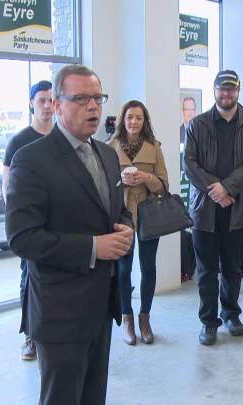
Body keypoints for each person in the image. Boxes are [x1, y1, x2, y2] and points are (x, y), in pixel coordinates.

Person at [5, 65, 134, 405]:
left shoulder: (107, 154)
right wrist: (93, 247)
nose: (93, 107)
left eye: (97, 98)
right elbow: (22, 238)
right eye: (81, 99)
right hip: (60, 312)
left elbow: (117, 210)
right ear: (57, 105)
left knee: (93, 397)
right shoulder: (31, 160)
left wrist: (126, 228)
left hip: (101, 305)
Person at [183, 70, 243, 346]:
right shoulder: (197, 125)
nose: (226, 93)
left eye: (231, 89)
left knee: (232, 267)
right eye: (222, 88)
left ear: (238, 91)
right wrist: (216, 190)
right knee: (206, 270)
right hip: (204, 209)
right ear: (214, 90)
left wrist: (227, 188)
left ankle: (231, 314)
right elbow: (190, 164)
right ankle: (208, 321)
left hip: (237, 208)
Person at [107, 100, 169, 345]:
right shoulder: (109, 147)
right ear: (122, 120)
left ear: (145, 121)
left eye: (139, 118)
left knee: (148, 267)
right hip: (121, 214)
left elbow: (164, 186)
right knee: (123, 269)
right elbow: (103, 186)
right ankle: (127, 319)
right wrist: (120, 180)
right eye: (130, 117)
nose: (134, 122)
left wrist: (147, 177)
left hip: (148, 213)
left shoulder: (154, 147)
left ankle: (145, 318)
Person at [1, 80, 54, 362]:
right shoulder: (19, 142)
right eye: (41, 100)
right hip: (32, 227)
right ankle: (30, 336)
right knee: (29, 279)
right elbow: (8, 188)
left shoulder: (63, 136)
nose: (47, 106)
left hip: (59, 226)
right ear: (32, 103)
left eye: (51, 100)